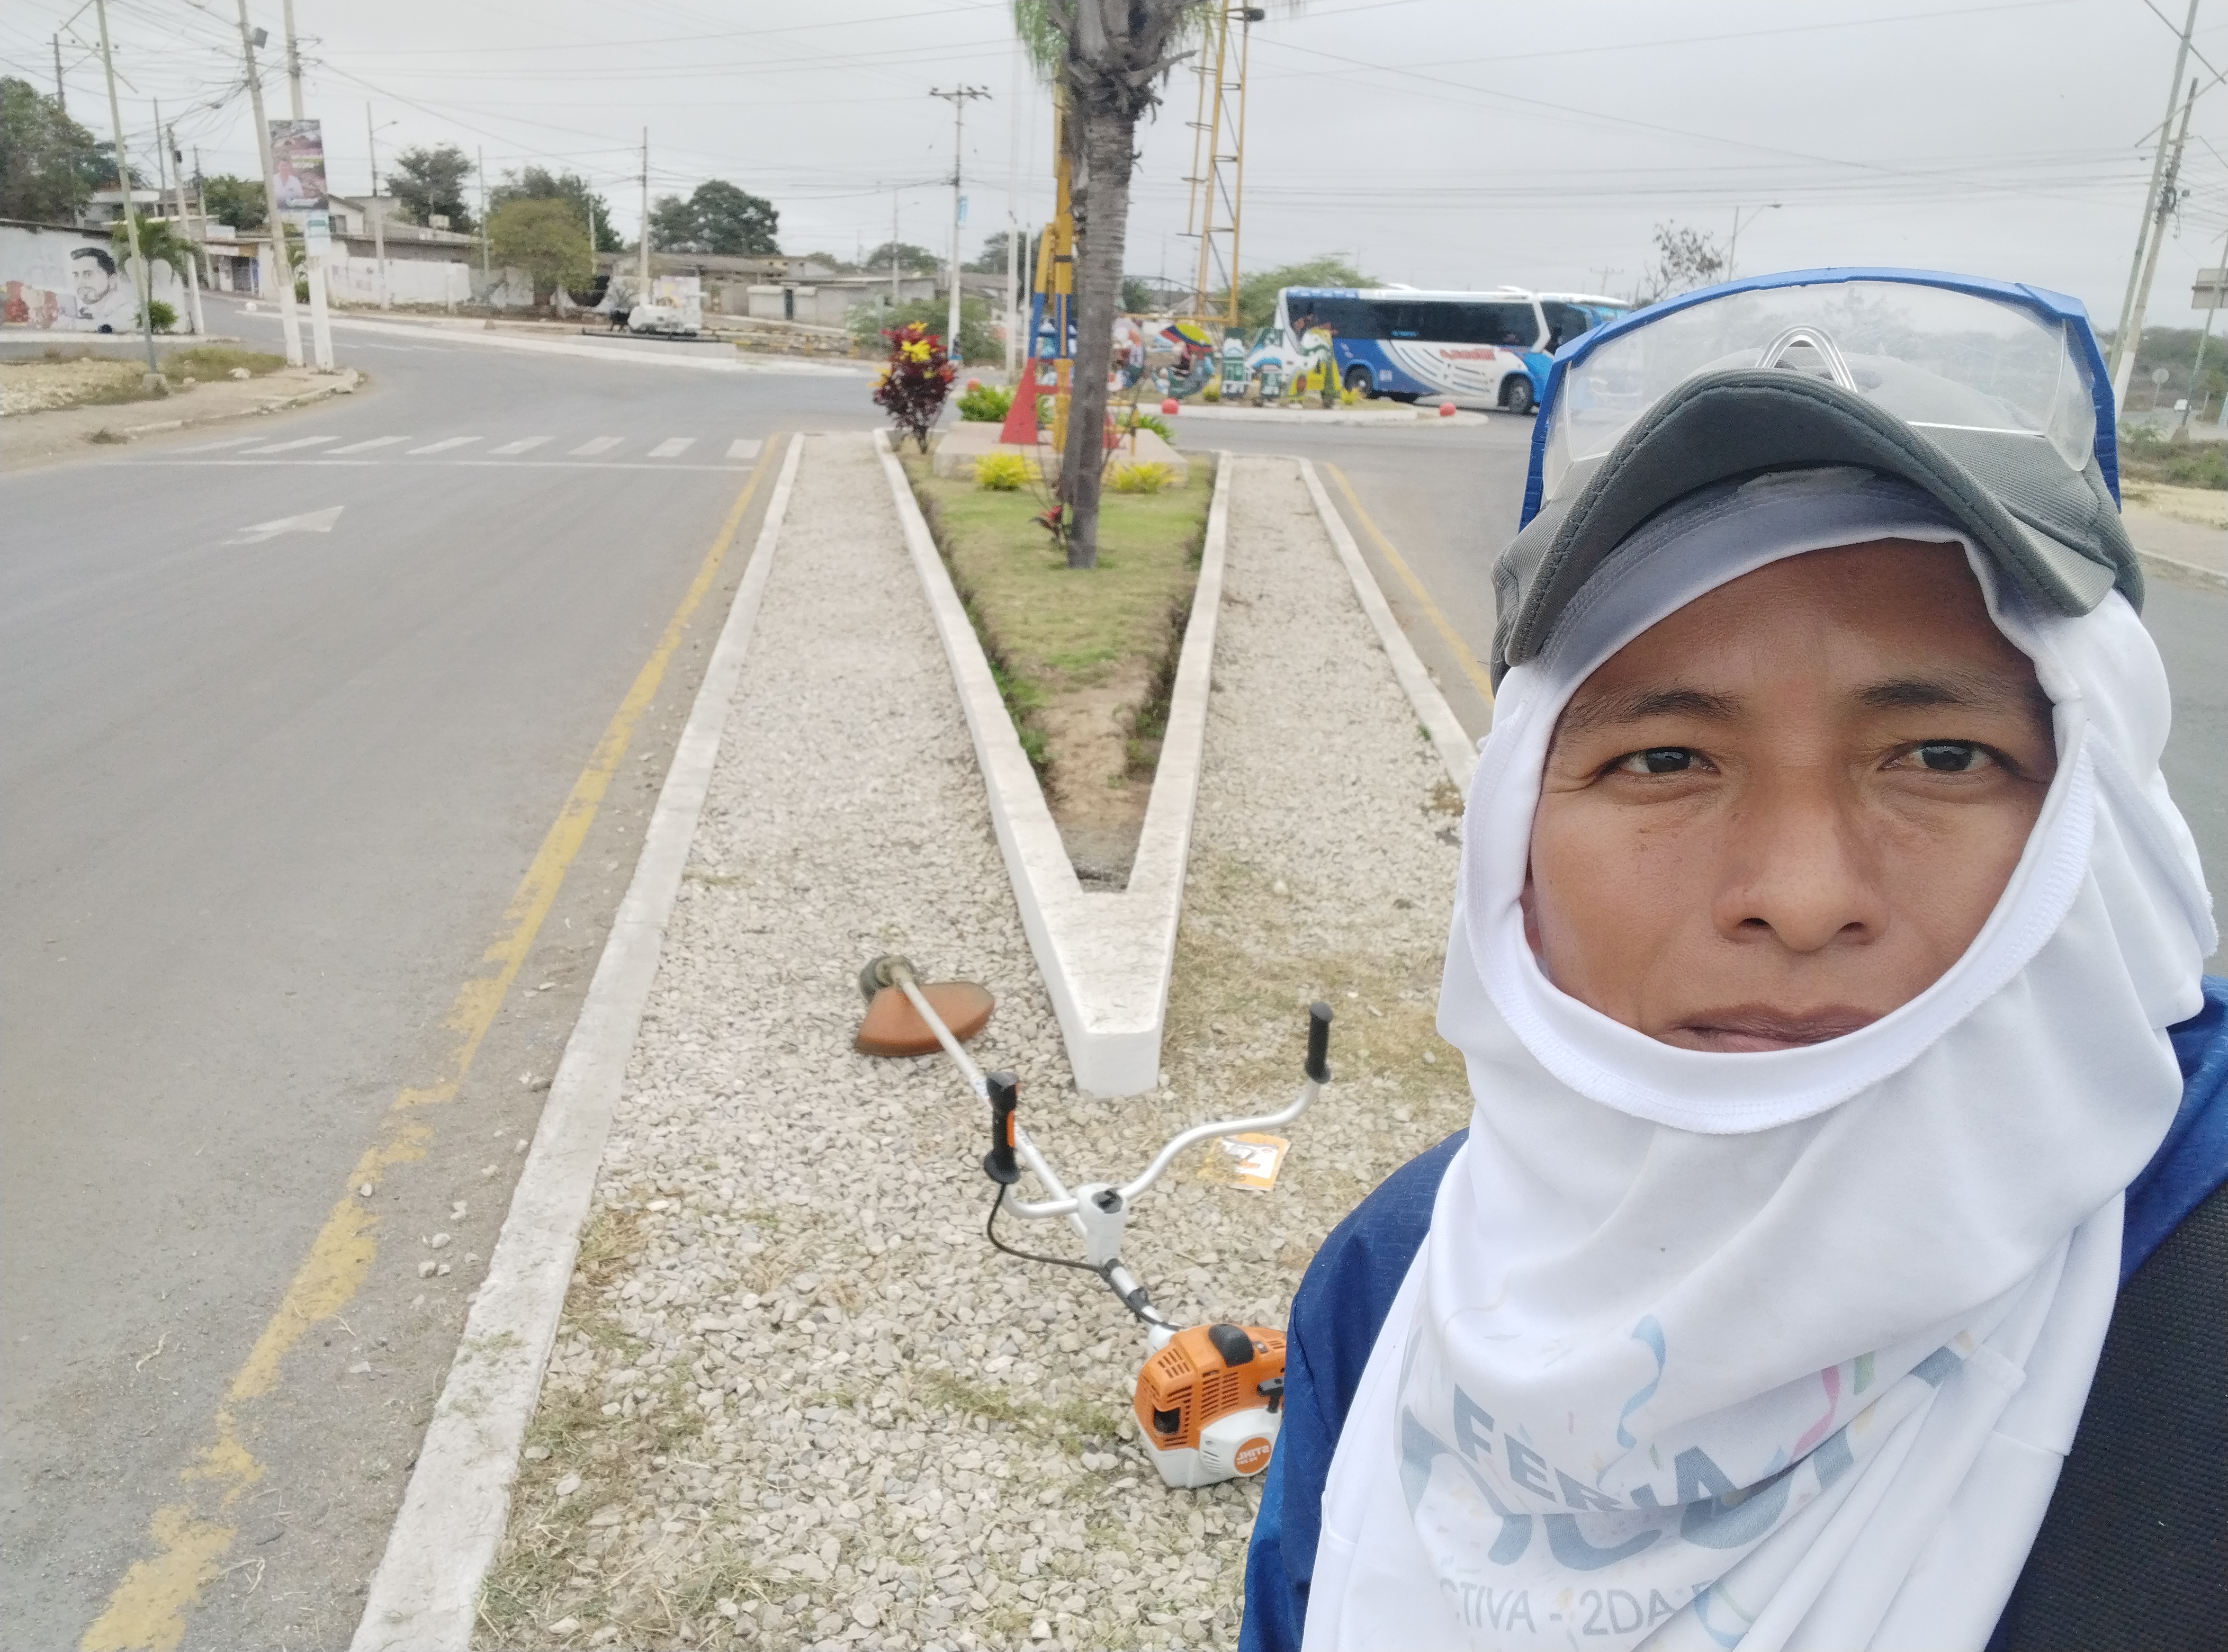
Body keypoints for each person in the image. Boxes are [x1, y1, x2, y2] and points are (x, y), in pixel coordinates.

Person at [1242, 270, 2225, 1651]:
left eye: (1943, 756)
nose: (1801, 900)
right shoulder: (1394, 1273)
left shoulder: (2189, 1321)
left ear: (2104, 817)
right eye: (1664, 760)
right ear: (1513, 839)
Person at [70, 246, 138, 333]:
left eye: (88, 274)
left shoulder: (128, 311)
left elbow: (108, 328)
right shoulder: (86, 311)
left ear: (112, 280)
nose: (80, 283)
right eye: (76, 275)